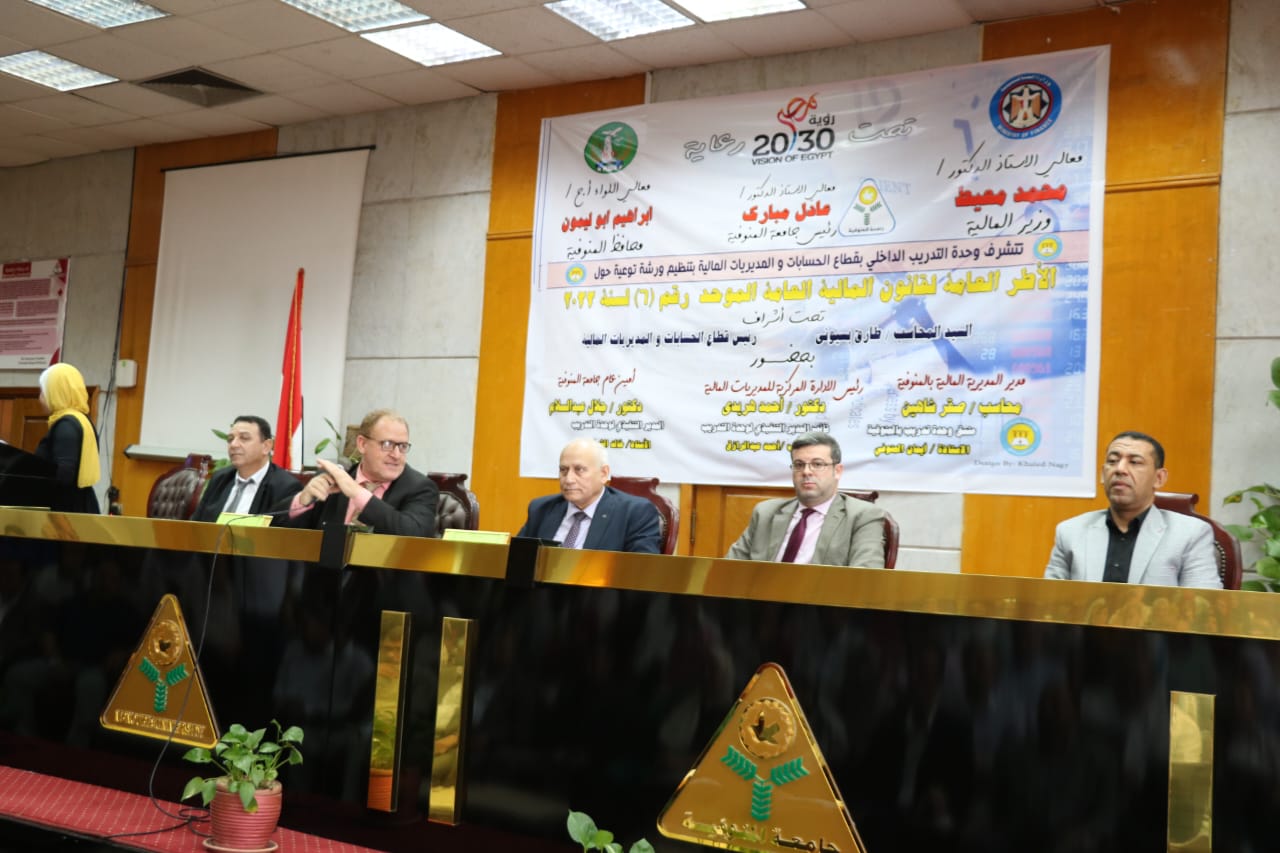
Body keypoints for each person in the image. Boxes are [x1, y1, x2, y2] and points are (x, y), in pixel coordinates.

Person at [1044, 430, 1221, 588]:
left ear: (1159, 478)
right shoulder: (1071, 532)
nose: (1120, 469)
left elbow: (1202, 607)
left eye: (1135, 462)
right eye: (1112, 461)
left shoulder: (1190, 535)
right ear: (1103, 474)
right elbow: (1048, 603)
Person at [726, 432, 886, 567]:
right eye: (799, 464)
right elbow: (730, 567)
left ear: (837, 471)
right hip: (760, 594)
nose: (806, 471)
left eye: (817, 464)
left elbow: (865, 578)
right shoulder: (766, 512)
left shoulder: (863, 516)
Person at [271, 409, 437, 537]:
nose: (396, 455)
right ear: (362, 444)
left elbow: (414, 534)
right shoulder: (331, 479)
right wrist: (302, 500)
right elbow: (275, 531)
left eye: (402, 446)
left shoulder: (420, 487)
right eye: (387, 445)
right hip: (326, 571)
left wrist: (357, 493)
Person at [517, 438, 662, 553]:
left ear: (603, 474)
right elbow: (518, 559)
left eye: (579, 470)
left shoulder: (634, 513)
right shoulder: (541, 509)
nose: (569, 479)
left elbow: (642, 572)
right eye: (564, 470)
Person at [192, 416, 302, 521]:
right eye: (230, 439)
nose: (233, 444)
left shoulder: (285, 487)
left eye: (244, 438)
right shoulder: (220, 479)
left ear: (266, 446)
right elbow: (195, 524)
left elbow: (282, 531)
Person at [33, 363, 100, 514]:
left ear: (56, 393)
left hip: (65, 515)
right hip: (79, 507)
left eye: (43, 392)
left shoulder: (66, 425)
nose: (39, 398)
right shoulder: (82, 420)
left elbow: (64, 475)